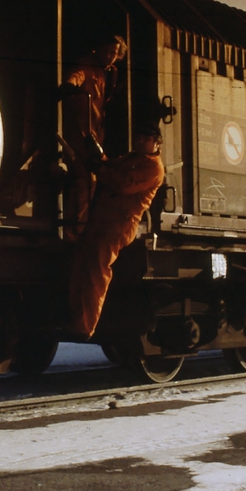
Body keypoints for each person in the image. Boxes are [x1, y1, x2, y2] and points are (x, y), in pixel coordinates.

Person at [66, 127, 165, 340]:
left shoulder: (154, 168)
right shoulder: (133, 157)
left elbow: (123, 184)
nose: (140, 141)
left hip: (118, 226)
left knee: (97, 271)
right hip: (103, 221)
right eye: (139, 137)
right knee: (81, 265)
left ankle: (85, 327)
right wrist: (98, 154)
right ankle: (75, 319)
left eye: (145, 138)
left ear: (157, 142)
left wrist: (99, 168)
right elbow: (111, 165)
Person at [58, 34, 127, 241]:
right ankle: (75, 230)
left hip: (96, 133)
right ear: (99, 48)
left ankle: (79, 226)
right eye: (108, 51)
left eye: (114, 53)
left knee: (91, 180)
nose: (110, 56)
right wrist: (69, 86)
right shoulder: (87, 66)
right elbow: (76, 76)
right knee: (87, 178)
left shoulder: (111, 73)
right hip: (80, 133)